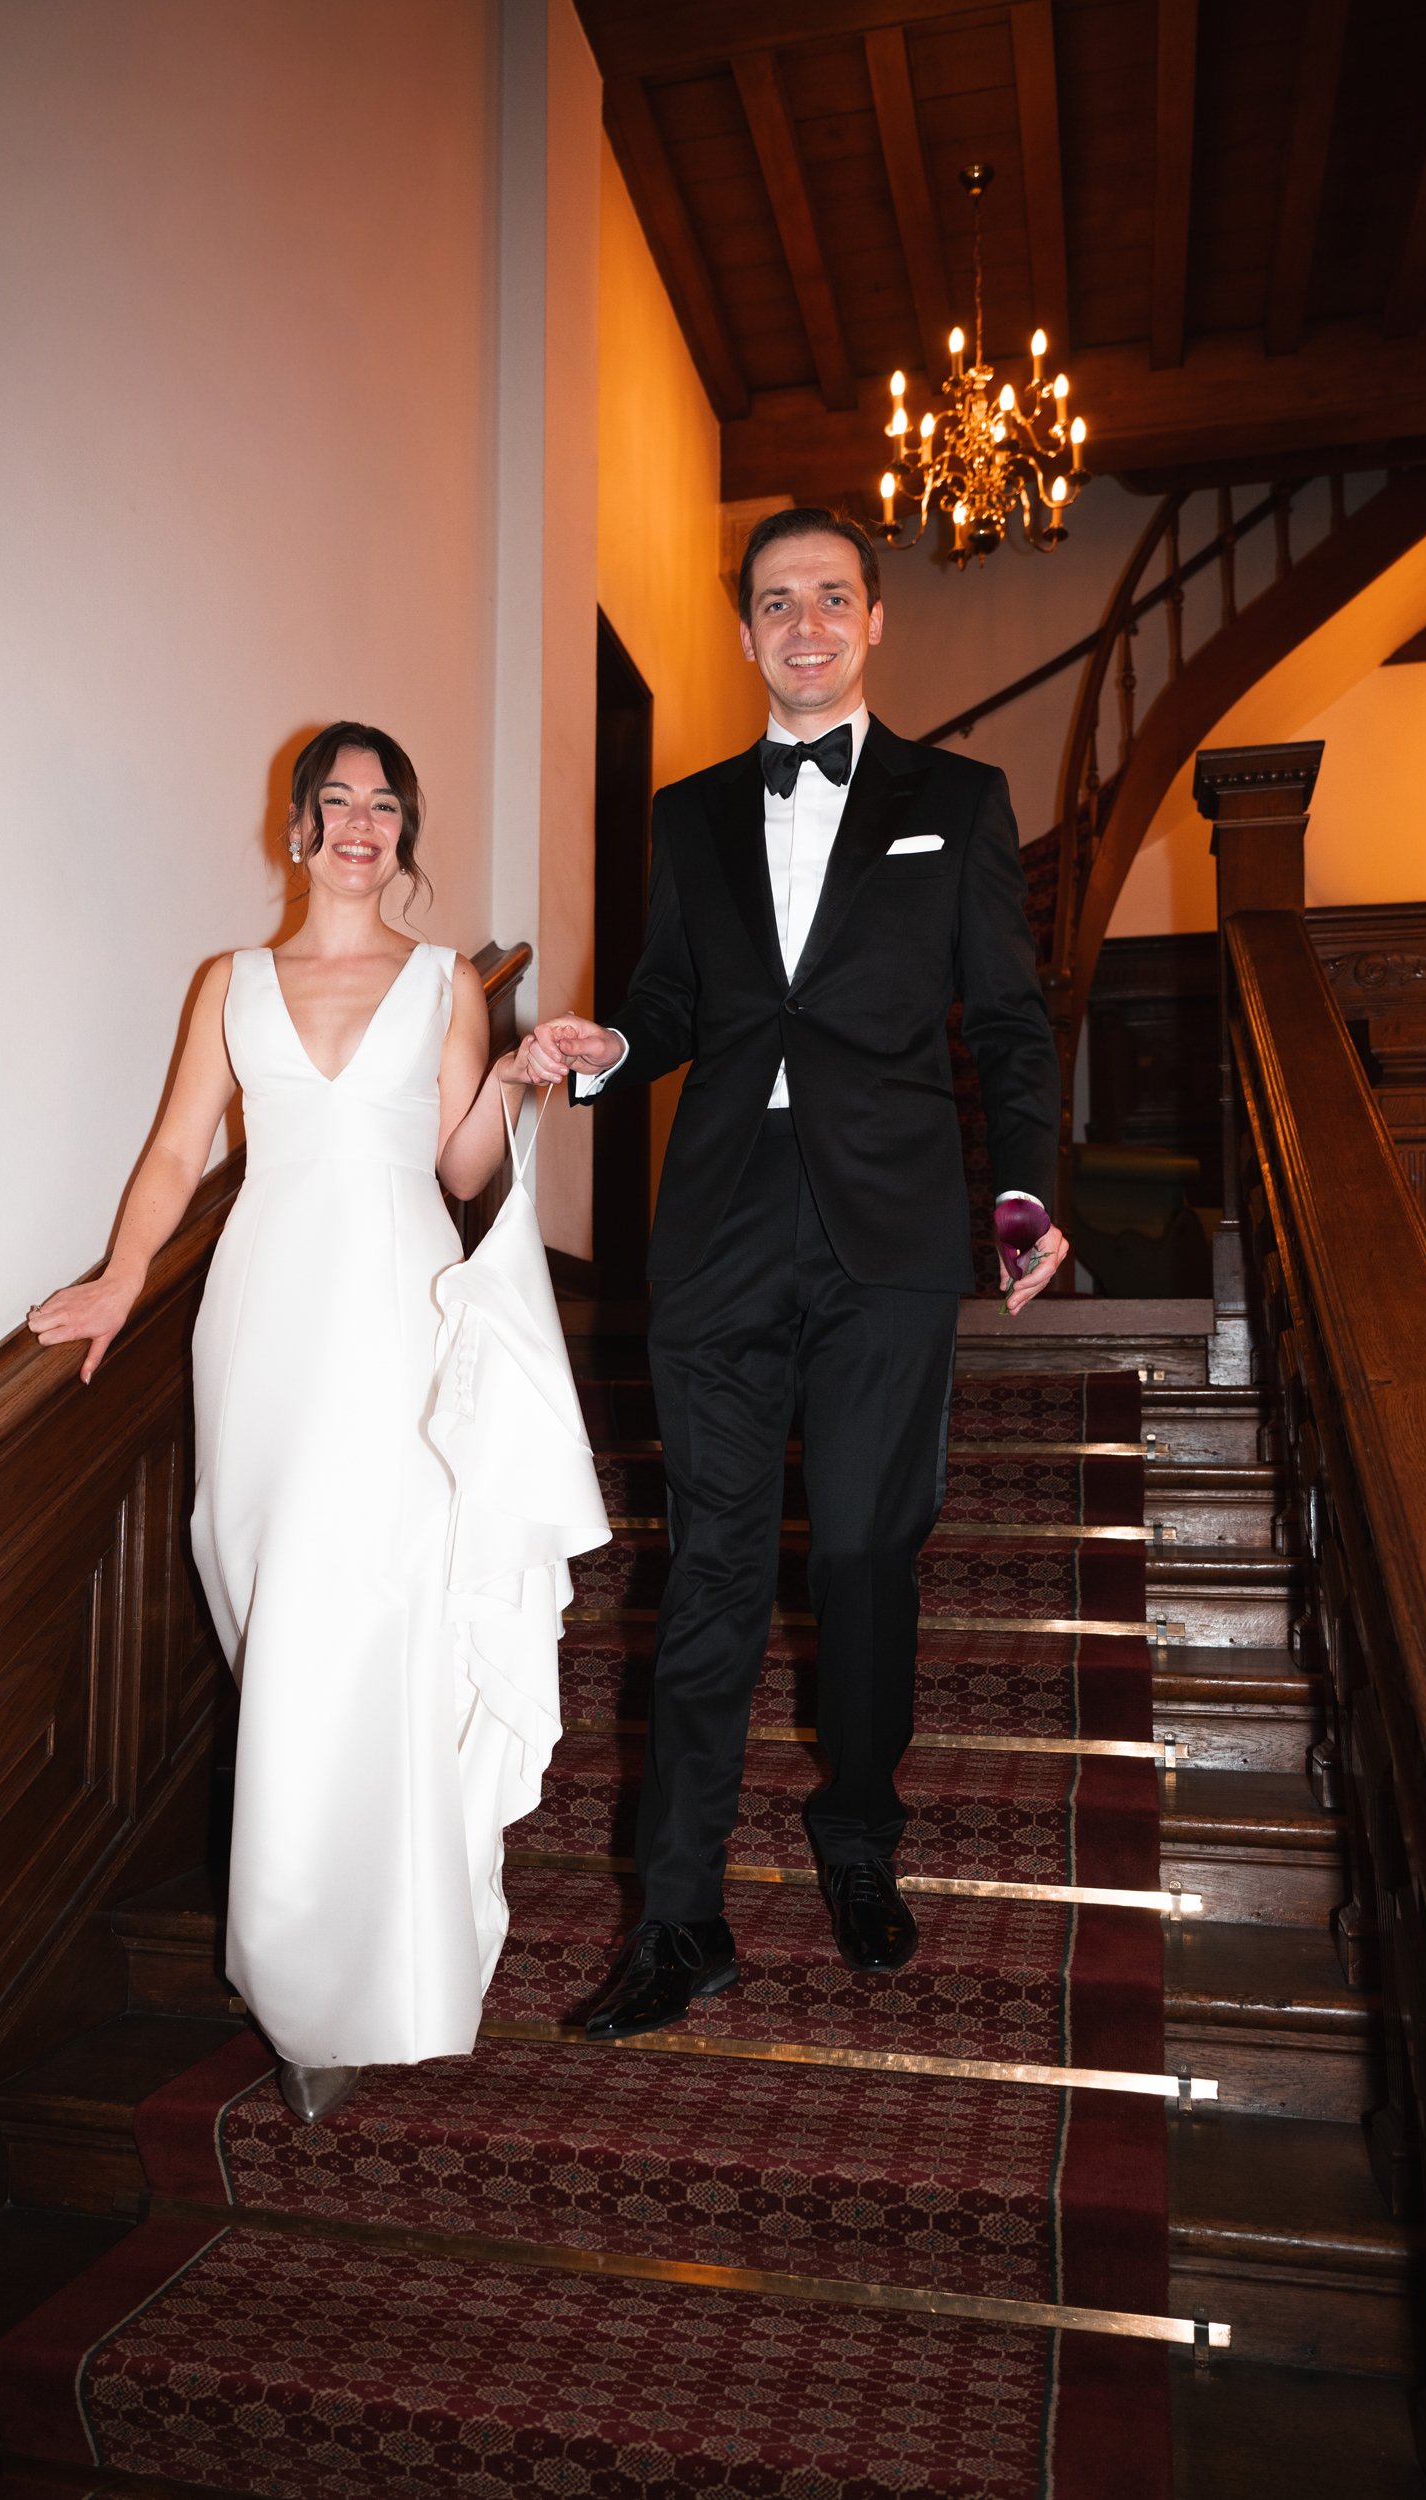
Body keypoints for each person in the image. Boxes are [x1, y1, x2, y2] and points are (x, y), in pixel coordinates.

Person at [531, 508, 1069, 2041]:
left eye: (834, 597)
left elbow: (1013, 1025)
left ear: (875, 619)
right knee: (706, 1568)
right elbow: (669, 1005)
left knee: (857, 1557)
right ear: (747, 629)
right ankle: (678, 1916)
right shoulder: (690, 813)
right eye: (778, 602)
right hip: (717, 1229)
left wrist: (1022, 1199)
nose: (808, 623)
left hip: (889, 1234)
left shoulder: (955, 802)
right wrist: (602, 1056)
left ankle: (857, 1837)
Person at [29, 722, 605, 2121]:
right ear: (297, 830)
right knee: (277, 1620)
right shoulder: (229, 984)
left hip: (401, 1324)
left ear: (403, 834)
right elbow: (179, 1150)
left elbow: (456, 1160)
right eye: (335, 802)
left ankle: (382, 1974)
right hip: (267, 1327)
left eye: (384, 805)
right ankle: (298, 1971)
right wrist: (118, 1278)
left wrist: (521, 1073)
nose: (361, 823)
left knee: (386, 1621)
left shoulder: (444, 983)